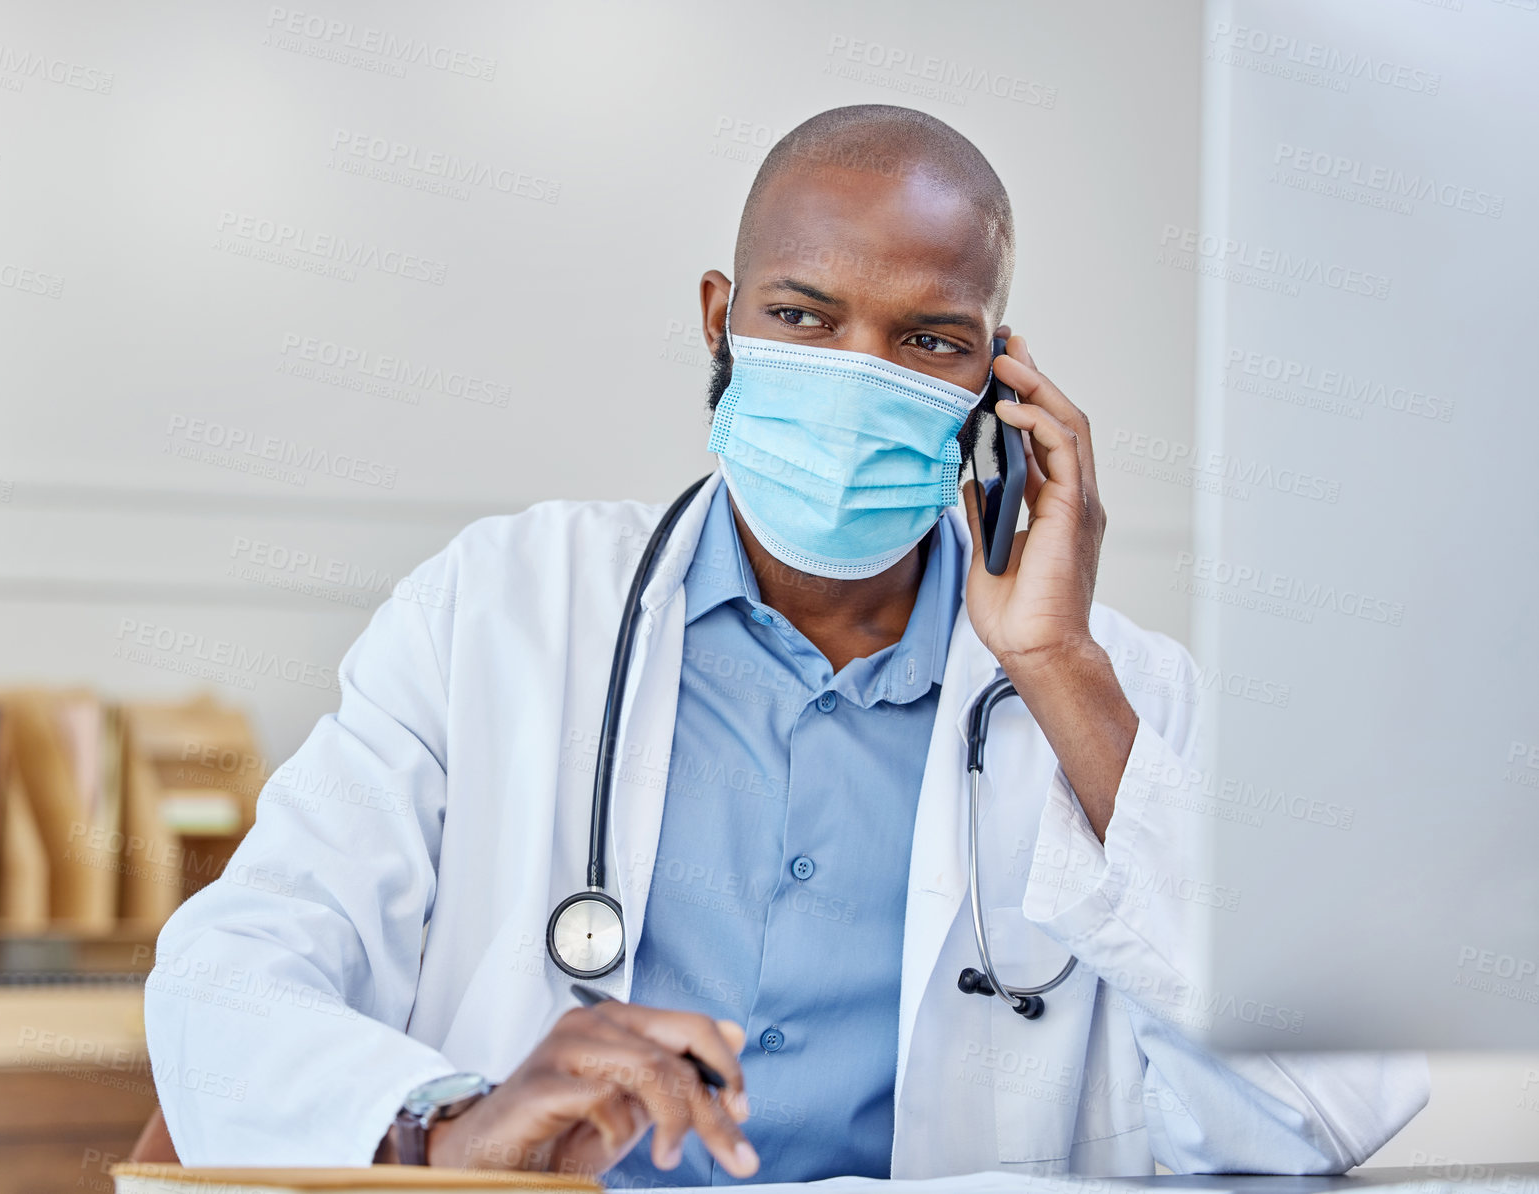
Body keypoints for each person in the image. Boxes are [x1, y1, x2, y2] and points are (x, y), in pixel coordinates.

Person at [144, 105, 1427, 1180]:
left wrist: (1057, 666)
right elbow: (228, 979)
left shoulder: (1113, 695)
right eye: (807, 318)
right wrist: (444, 1125)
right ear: (721, 320)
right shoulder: (501, 605)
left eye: (928, 339)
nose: (860, 374)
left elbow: (1332, 1103)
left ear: (997, 385)